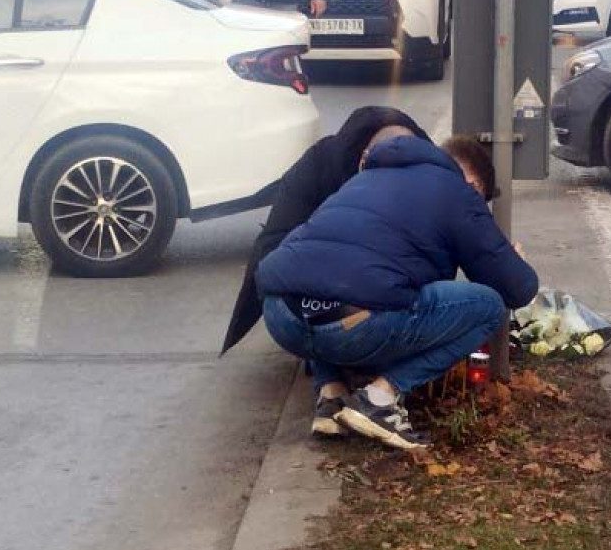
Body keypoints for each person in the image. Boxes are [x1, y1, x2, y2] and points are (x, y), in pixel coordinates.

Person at [256, 130, 539, 450]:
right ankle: (380, 399)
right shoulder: (458, 192)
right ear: (473, 184)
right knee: (487, 305)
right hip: (353, 328)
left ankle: (331, 395)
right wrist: (513, 261)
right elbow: (518, 289)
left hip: (282, 315)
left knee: (330, 281)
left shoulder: (366, 179)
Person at [221, 108, 431, 356]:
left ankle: (330, 369)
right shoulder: (318, 168)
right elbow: (274, 244)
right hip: (306, 302)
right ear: (364, 161)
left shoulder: (425, 168)